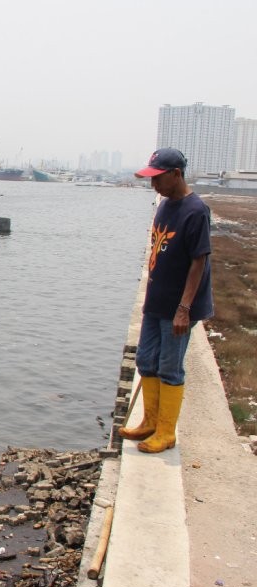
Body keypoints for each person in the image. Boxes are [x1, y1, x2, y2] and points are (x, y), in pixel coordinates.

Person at [119, 147, 213, 453]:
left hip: (178, 307)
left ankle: (166, 432)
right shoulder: (164, 205)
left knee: (170, 367)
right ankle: (149, 421)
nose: (153, 185)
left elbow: (199, 262)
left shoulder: (195, 211)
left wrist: (184, 309)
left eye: (158, 178)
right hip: (156, 302)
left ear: (176, 174)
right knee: (146, 361)